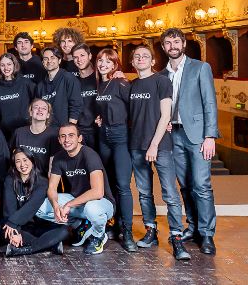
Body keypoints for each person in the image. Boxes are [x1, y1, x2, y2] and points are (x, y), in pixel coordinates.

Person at [160, 27, 219, 255]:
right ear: (163, 47)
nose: (172, 46)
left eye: (176, 42)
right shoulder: (162, 74)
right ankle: (193, 228)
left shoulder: (200, 67)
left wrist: (210, 136)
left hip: (197, 135)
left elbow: (209, 103)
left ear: (183, 44)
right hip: (173, 135)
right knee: (184, 185)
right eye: (168, 43)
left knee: (201, 185)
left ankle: (207, 234)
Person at [128, 45, 190, 261]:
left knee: (170, 194)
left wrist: (154, 144)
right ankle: (151, 231)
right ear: (132, 62)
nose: (141, 59)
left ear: (153, 61)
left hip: (160, 146)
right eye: (137, 56)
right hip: (136, 145)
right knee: (144, 192)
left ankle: (176, 237)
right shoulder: (131, 85)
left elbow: (166, 116)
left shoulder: (161, 81)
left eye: (145, 56)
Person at [36, 124, 115, 256]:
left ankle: (99, 235)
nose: (66, 139)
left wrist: (68, 205)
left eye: (71, 135)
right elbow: (52, 188)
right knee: (41, 207)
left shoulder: (89, 155)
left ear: (79, 138)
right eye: (63, 136)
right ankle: (81, 225)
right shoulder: (59, 157)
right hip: (78, 202)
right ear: (59, 140)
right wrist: (55, 206)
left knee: (92, 208)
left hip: (102, 203)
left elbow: (98, 192)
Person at [92, 47, 135, 251]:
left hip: (120, 137)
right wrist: (99, 118)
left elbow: (135, 108)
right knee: (108, 184)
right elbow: (106, 108)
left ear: (115, 64)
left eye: (108, 61)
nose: (103, 64)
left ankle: (127, 231)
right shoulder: (100, 85)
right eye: (100, 60)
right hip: (103, 137)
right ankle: (114, 224)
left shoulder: (121, 82)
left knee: (123, 185)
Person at [2, 149, 68, 257]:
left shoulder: (42, 182)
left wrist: (12, 225)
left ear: (32, 161)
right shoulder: (10, 180)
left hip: (36, 224)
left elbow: (32, 206)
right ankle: (50, 245)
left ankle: (23, 250)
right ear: (14, 164)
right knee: (7, 232)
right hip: (17, 225)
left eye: (25, 160)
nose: (22, 164)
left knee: (64, 230)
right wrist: (15, 231)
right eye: (18, 161)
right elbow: (9, 208)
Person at [0, 52, 35, 142]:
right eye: (2, 65)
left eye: (9, 64)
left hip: (25, 130)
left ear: (14, 65)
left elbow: (36, 103)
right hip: (5, 133)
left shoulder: (25, 83)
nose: (6, 68)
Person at [36, 46, 82, 129]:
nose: (49, 61)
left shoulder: (69, 78)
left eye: (52, 57)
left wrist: (69, 129)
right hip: (47, 130)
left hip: (64, 130)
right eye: (46, 59)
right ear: (43, 62)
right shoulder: (40, 85)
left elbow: (76, 106)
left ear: (59, 60)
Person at [10, 98, 59, 173]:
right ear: (30, 112)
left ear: (48, 115)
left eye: (44, 108)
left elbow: (53, 167)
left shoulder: (53, 134)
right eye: (36, 107)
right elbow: (13, 156)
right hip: (22, 176)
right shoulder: (19, 132)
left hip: (43, 178)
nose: (40, 110)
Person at [71, 43, 99, 149]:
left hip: (98, 130)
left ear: (90, 56)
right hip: (80, 131)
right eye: (75, 57)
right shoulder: (72, 81)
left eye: (82, 55)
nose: (79, 60)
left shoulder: (100, 77)